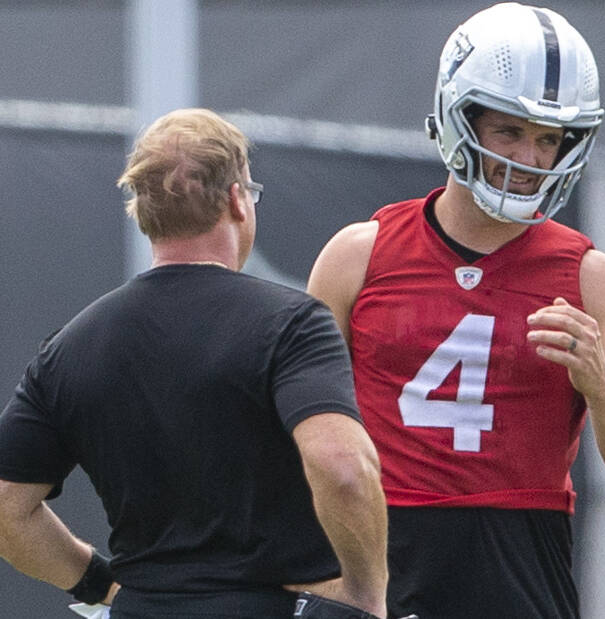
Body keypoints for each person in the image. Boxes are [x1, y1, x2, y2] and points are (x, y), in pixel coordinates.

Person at [307, 4, 605, 618]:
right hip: (376, 556)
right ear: (458, 117)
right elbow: (293, 435)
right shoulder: (358, 255)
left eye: (548, 139)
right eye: (509, 131)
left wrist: (600, 382)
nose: (530, 159)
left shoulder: (590, 276)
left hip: (520, 566)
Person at [0, 108, 389, 619]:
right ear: (236, 200)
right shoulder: (292, 324)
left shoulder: (71, 347)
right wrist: (366, 595)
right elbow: (342, 467)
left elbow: (7, 506)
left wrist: (100, 583)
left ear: (143, 210)